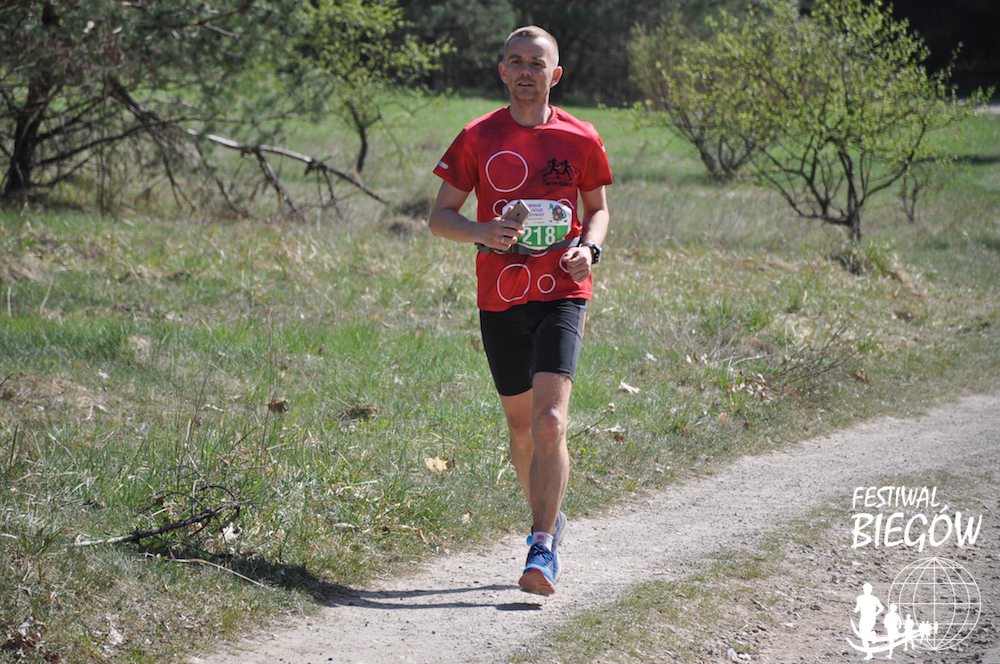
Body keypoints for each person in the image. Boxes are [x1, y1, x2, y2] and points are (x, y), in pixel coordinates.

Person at [428, 25, 612, 596]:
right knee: (521, 429)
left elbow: (597, 209)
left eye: (537, 62)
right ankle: (549, 517)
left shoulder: (580, 138)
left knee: (550, 420)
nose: (526, 71)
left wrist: (589, 250)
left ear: (556, 75)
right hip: (500, 297)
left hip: (563, 291)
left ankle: (542, 545)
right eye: (516, 61)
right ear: (503, 71)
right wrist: (481, 230)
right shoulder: (477, 137)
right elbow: (440, 217)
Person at [854, 582, 885, 660]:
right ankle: (871, 638)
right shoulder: (860, 598)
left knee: (864, 636)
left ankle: (871, 638)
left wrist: (875, 614)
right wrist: (855, 610)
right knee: (863, 636)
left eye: (868, 589)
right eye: (865, 589)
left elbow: (881, 608)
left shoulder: (873, 599)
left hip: (869, 618)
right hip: (864, 618)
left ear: (871, 590)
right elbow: (858, 608)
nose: (866, 590)